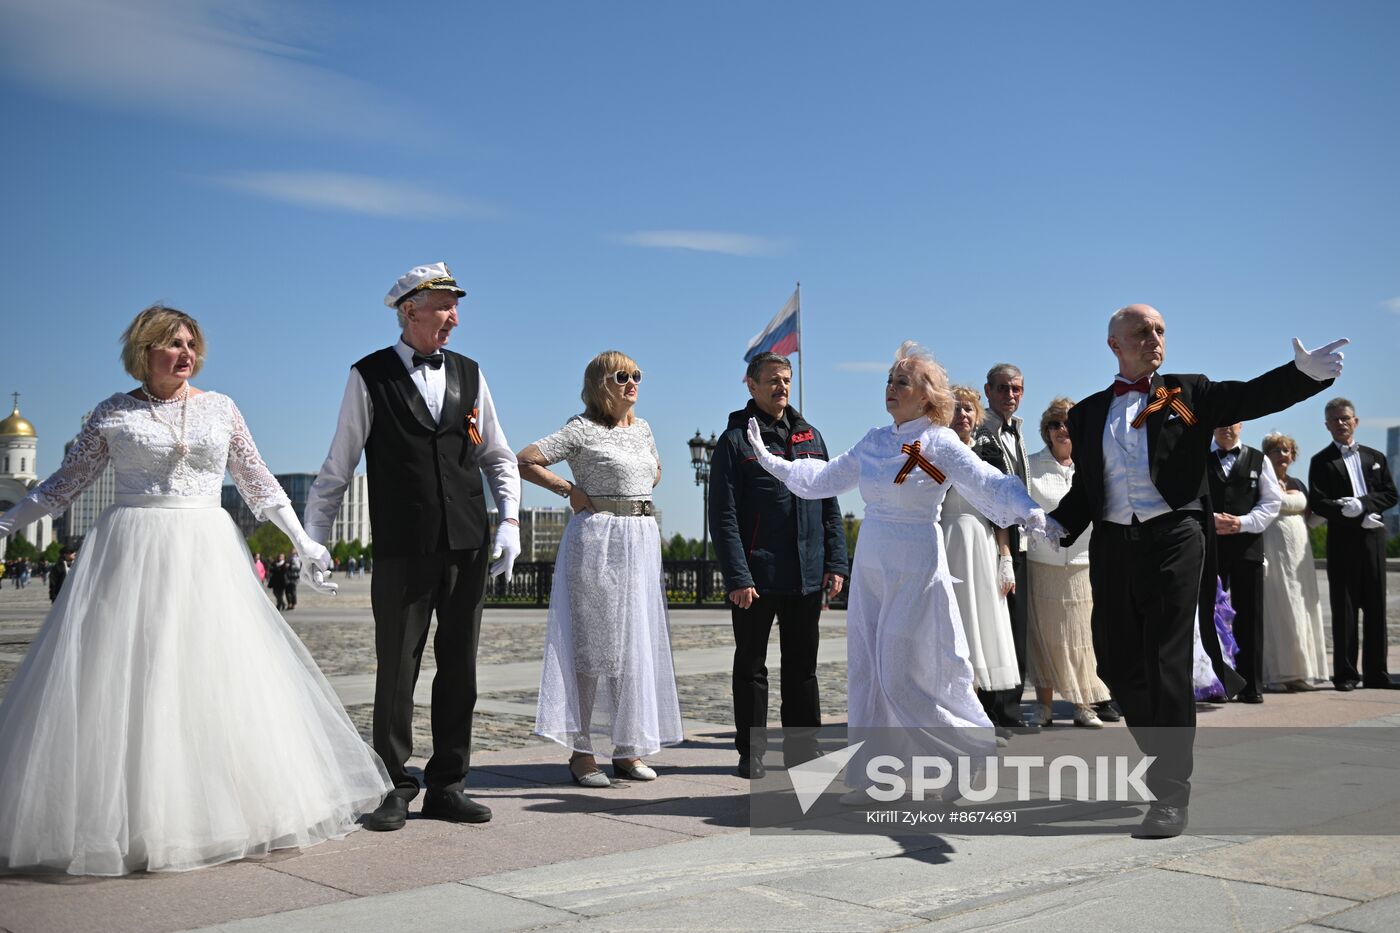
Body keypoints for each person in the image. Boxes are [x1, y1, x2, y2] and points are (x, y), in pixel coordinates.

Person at [0, 305, 388, 875]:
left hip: (206, 547)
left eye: (190, 344)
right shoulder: (113, 414)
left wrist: (303, 540)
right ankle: (132, 818)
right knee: (129, 677)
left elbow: (258, 481)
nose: (184, 354)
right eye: (171, 344)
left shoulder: (221, 408)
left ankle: (224, 811)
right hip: (132, 548)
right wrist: (6, 525)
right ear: (143, 352)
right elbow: (63, 486)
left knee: (215, 674)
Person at [1047, 304, 1342, 837]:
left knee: (1165, 658)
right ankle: (1162, 752)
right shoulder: (1089, 412)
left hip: (1175, 538)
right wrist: (1053, 524)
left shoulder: (1188, 392)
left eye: (1161, 329)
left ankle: (1169, 792)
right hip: (1114, 544)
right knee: (1114, 662)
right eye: (1143, 331)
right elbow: (1087, 488)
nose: (1156, 337)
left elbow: (1251, 396)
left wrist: (1305, 374)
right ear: (1115, 344)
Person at [743, 342, 1049, 793]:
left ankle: (965, 750)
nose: (891, 387)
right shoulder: (873, 441)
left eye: (901, 381)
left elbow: (987, 481)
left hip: (916, 562)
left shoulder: (940, 442)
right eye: (888, 380)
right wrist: (773, 462)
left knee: (902, 671)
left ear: (926, 395)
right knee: (868, 669)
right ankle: (876, 775)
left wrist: (1030, 510)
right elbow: (824, 479)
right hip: (872, 562)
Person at [304, 262, 522, 831]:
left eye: (455, 305)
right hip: (403, 544)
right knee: (396, 668)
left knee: (461, 668)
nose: (455, 316)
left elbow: (497, 455)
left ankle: (449, 783)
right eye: (445, 305)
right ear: (410, 310)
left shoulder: (472, 374)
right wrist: (314, 538)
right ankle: (394, 784)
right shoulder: (369, 375)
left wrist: (511, 523)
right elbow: (338, 464)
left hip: (468, 542)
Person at [517, 350, 681, 787]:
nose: (633, 383)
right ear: (600, 385)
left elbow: (656, 472)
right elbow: (525, 459)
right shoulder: (582, 429)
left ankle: (627, 750)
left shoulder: (643, 429)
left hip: (641, 542)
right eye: (622, 375)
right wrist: (569, 489)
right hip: (599, 543)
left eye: (638, 375)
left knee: (633, 647)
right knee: (593, 650)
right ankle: (582, 752)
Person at [708, 351, 848, 779]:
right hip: (757, 576)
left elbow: (829, 502)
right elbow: (724, 515)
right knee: (751, 667)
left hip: (806, 575)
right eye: (772, 380)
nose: (781, 387)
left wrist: (836, 562)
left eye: (786, 379)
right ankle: (751, 753)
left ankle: (803, 753)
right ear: (750, 385)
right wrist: (737, 575)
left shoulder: (811, 437)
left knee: (803, 667)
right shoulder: (736, 441)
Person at [1024, 397, 1111, 728]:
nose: (1062, 430)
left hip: (1083, 563)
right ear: (1046, 431)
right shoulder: (1031, 466)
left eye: (1067, 424)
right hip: (1042, 563)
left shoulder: (1093, 464)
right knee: (1044, 635)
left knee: (1081, 636)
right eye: (1054, 424)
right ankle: (1043, 706)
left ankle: (1083, 704)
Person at [1307, 398, 1398, 691]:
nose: (1340, 423)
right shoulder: (1320, 461)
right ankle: (1345, 675)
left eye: (1345, 418)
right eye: (1334, 420)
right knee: (1344, 609)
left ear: (1355, 421)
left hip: (1373, 538)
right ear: (1326, 425)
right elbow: (1318, 501)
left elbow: (1390, 494)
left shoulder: (1376, 457)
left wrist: (1363, 505)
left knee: (1376, 609)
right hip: (1342, 540)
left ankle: (1377, 674)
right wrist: (1346, 512)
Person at [940, 387, 1020, 712]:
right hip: (946, 544)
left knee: (981, 624)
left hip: (982, 546)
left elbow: (999, 513)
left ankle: (981, 716)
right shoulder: (935, 454)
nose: (963, 415)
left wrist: (1006, 558)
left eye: (969, 409)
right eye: (956, 409)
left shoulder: (989, 457)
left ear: (977, 416)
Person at [971, 363, 1034, 729]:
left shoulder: (1018, 432)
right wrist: (1002, 549)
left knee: (1017, 628)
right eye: (1002, 388)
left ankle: (1010, 707)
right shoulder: (982, 433)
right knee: (997, 627)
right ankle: (997, 711)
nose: (1010, 395)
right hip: (994, 542)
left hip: (1020, 541)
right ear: (988, 390)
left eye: (1016, 389)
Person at [1207, 422, 1283, 703]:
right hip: (1210, 548)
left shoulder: (1258, 459)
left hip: (1248, 547)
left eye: (1232, 422)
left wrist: (1242, 523)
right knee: (1210, 617)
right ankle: (1216, 684)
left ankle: (1252, 685)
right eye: (1221, 422)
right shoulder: (1198, 457)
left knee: (1250, 616)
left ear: (1241, 425)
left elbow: (1271, 502)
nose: (1226, 428)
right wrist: (1212, 520)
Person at [1259, 433, 1328, 690]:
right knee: (1279, 607)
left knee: (1302, 606)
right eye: (1276, 450)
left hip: (1300, 551)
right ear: (1266, 455)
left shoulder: (1298, 482)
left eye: (1286, 450)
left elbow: (1311, 514)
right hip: (1272, 550)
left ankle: (1301, 672)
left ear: (1293, 455)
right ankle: (1278, 673)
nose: (1282, 455)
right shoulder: (1261, 482)